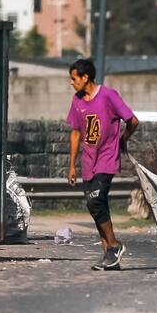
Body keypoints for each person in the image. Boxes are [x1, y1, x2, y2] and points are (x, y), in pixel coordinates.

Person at [66, 58, 139, 271]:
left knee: (96, 201)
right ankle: (109, 256)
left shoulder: (108, 95)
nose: (72, 83)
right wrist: (72, 165)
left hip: (107, 158)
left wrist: (123, 139)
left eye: (74, 78)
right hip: (88, 162)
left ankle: (114, 246)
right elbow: (76, 133)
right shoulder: (77, 101)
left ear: (85, 77)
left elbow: (133, 120)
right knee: (96, 206)